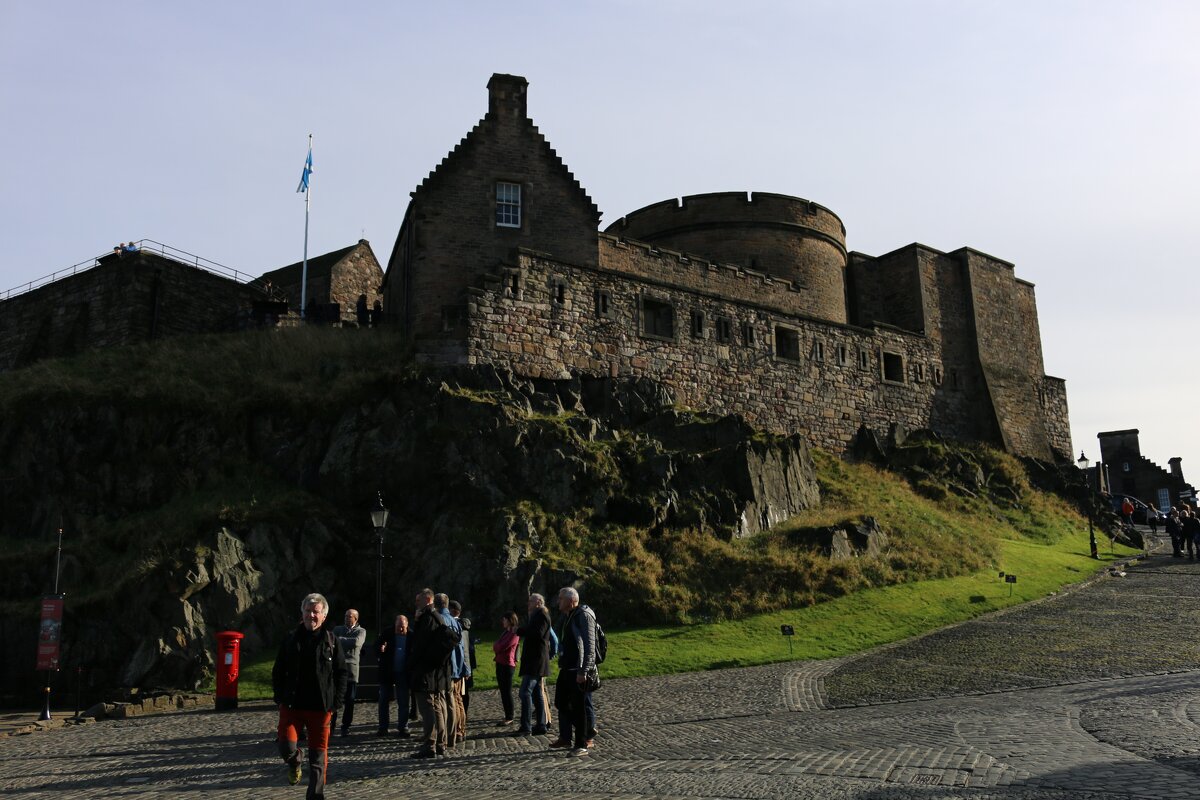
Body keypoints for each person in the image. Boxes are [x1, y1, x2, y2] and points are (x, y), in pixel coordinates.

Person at [272, 592, 348, 797]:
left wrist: (336, 702)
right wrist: (279, 698)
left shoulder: (332, 641)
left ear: (324, 616)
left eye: (316, 612)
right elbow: (278, 670)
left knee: (317, 758)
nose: (311, 615)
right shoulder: (290, 639)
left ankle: (315, 796)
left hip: (321, 708)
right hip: (292, 705)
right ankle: (295, 760)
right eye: (308, 611)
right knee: (285, 746)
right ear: (302, 612)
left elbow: (342, 673)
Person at [407, 588, 459, 758]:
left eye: (418, 600)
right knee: (436, 706)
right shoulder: (438, 617)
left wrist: (411, 665)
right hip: (437, 670)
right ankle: (440, 743)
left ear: (428, 599)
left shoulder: (428, 618)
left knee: (427, 706)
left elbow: (420, 644)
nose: (416, 603)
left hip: (426, 670)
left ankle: (430, 744)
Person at [550, 586, 597, 757]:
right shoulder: (569, 616)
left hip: (578, 670)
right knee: (560, 702)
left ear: (570, 601)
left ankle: (581, 743)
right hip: (566, 668)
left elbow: (589, 646)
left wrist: (583, 671)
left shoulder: (583, 615)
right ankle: (585, 730)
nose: (558, 601)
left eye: (561, 598)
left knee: (579, 707)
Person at [515, 593, 551, 736]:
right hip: (535, 660)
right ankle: (541, 725)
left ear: (538, 603)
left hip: (536, 661)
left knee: (525, 692)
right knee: (536, 694)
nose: (528, 604)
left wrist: (519, 631)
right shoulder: (536, 616)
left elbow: (537, 633)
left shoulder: (541, 615)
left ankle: (526, 726)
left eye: (531, 601)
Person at [434, 594, 467, 745]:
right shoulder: (456, 622)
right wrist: (464, 668)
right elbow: (461, 647)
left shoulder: (439, 620)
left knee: (444, 701)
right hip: (456, 667)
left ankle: (448, 734)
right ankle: (458, 732)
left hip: (445, 667)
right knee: (455, 701)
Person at [374, 614, 411, 737]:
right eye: (398, 627)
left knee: (403, 701)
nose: (400, 630)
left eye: (403, 627)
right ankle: (383, 727)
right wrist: (381, 648)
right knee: (384, 700)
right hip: (387, 672)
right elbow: (376, 648)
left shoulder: (411, 635)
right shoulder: (387, 633)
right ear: (395, 625)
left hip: (403, 672)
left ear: (407, 626)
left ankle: (403, 727)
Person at [331, 609, 366, 736]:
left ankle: (346, 726)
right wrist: (345, 641)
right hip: (337, 668)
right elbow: (332, 642)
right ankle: (331, 725)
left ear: (355, 619)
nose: (346, 618)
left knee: (350, 699)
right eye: (345, 616)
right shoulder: (337, 629)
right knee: (334, 697)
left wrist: (340, 640)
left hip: (351, 669)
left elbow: (356, 643)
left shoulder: (361, 631)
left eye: (349, 617)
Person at [493, 611, 520, 725]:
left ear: (509, 620)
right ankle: (507, 715)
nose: (502, 621)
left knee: (507, 691)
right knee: (503, 691)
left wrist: (497, 646)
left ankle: (510, 716)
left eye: (504, 619)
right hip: (500, 663)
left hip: (507, 665)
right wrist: (497, 646)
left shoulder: (514, 633)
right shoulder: (506, 632)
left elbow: (501, 646)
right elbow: (497, 645)